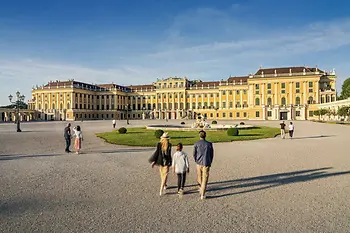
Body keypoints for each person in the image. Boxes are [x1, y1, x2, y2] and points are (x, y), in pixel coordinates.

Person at [193, 130, 214, 200]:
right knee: (205, 178)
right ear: (205, 136)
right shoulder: (209, 144)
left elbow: (194, 154)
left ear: (199, 136)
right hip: (206, 163)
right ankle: (203, 194)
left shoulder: (196, 144)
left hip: (198, 163)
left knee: (199, 176)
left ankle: (200, 189)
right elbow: (211, 154)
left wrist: (196, 160)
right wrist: (210, 161)